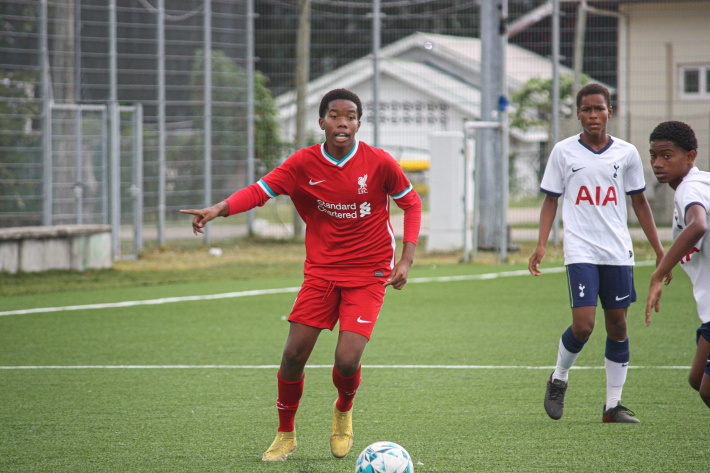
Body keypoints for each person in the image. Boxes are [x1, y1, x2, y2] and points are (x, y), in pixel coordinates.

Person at [180, 88, 422, 461]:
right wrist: (220, 209)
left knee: (346, 359)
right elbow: (260, 192)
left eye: (351, 116)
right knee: (293, 354)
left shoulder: (379, 162)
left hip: (369, 272)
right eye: (335, 115)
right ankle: (286, 434)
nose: (343, 122)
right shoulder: (302, 164)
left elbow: (411, 202)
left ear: (359, 122)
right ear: (322, 121)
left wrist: (405, 259)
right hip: (322, 272)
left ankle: (343, 411)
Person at [528, 83, 670, 423]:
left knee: (618, 325)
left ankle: (612, 406)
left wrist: (660, 250)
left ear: (610, 112)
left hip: (617, 252)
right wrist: (541, 243)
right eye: (587, 109)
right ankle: (558, 378)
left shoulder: (626, 153)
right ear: (578, 113)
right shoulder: (563, 152)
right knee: (583, 325)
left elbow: (639, 202)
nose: (594, 115)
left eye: (600, 109)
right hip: (580, 250)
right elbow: (551, 199)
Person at [646, 121, 710, 408]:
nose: (658, 163)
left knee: (707, 389)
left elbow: (698, 225)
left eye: (667, 155)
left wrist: (658, 274)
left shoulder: (689, 189)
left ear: (690, 156)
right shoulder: (700, 183)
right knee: (697, 380)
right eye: (653, 156)